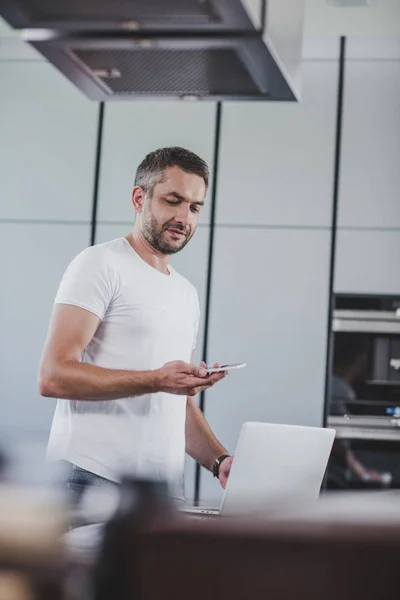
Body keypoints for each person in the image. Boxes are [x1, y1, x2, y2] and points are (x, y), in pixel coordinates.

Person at [39, 146, 233, 508]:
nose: (183, 217)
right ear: (139, 198)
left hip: (160, 494)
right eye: (172, 201)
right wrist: (156, 379)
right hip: (91, 481)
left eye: (194, 207)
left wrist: (220, 460)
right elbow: (53, 376)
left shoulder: (186, 293)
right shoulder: (99, 264)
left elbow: (176, 402)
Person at [328, 333, 384, 487]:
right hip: (333, 477)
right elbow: (337, 439)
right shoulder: (341, 391)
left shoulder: (333, 385)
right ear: (359, 359)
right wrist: (363, 474)